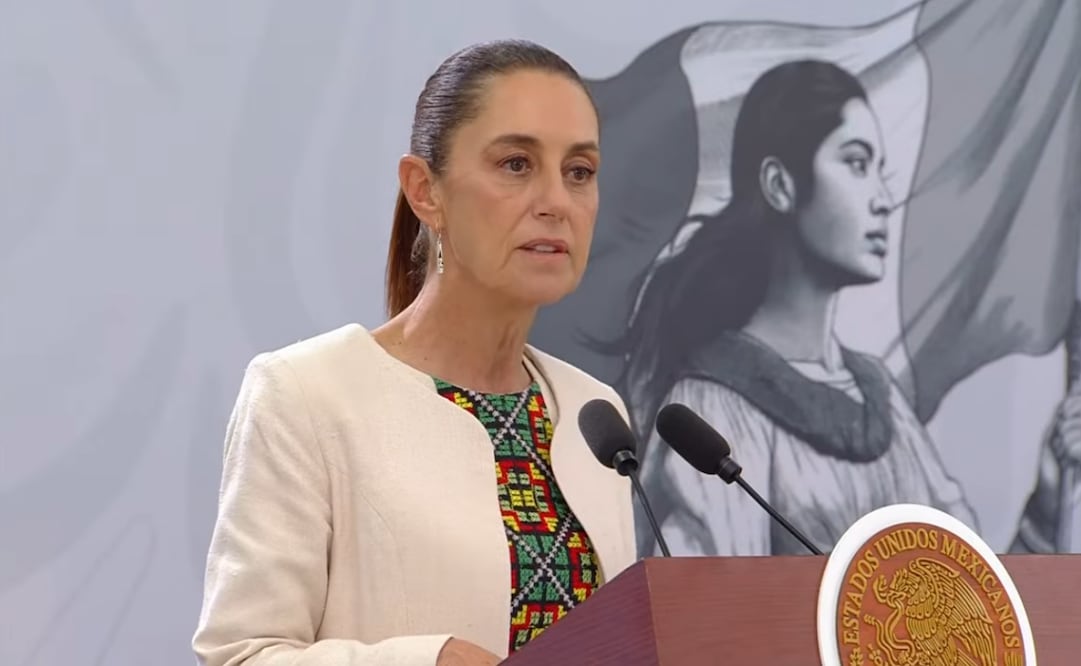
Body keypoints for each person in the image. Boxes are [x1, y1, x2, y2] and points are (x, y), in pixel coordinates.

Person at [191, 39, 638, 666]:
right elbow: (242, 654)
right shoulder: (305, 395)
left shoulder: (595, 412)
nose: (557, 202)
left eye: (579, 172)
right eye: (516, 164)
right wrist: (427, 660)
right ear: (424, 190)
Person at [609, 59, 1081, 558]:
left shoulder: (880, 400)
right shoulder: (713, 409)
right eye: (856, 163)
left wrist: (1048, 499)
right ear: (780, 185)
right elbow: (703, 616)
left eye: (881, 170)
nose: (882, 198)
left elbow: (965, 594)